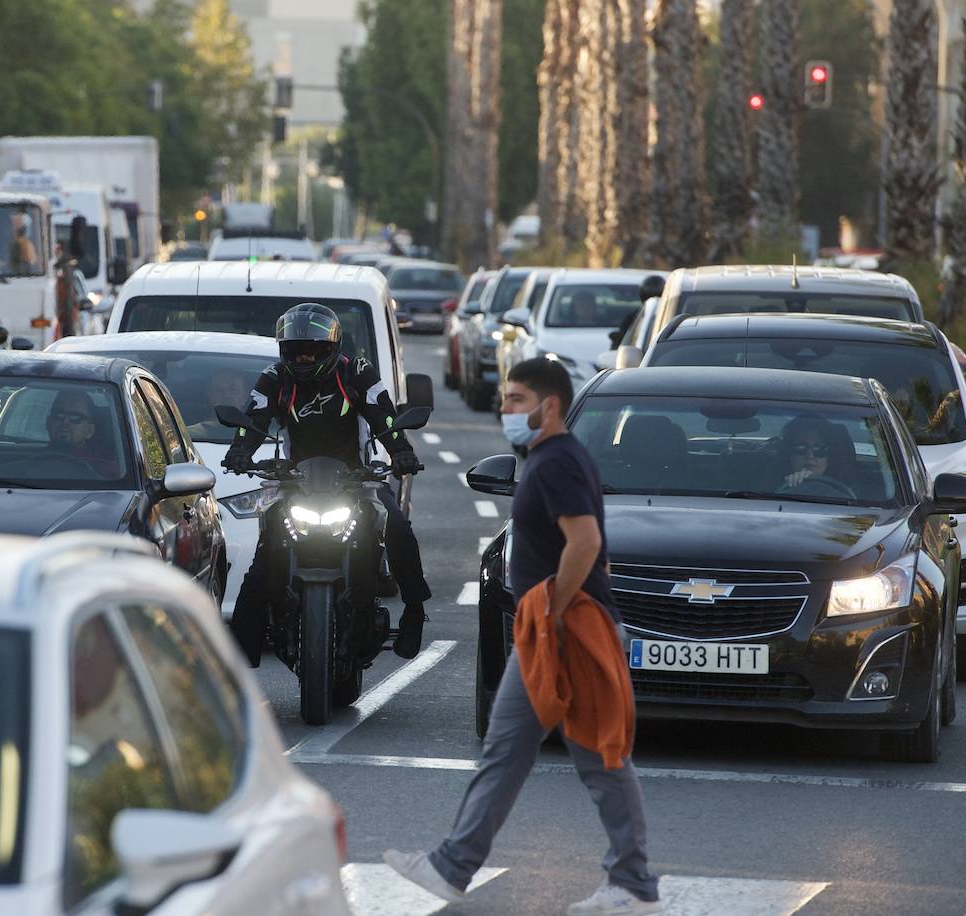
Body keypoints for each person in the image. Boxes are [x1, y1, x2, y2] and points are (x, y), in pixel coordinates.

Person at [384, 357, 661, 916]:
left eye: (515, 399)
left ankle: (631, 883)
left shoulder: (556, 461)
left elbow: (584, 543)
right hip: (558, 625)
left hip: (562, 627)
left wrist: (554, 614)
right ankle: (455, 865)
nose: (505, 409)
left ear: (548, 406)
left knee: (591, 755)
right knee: (524, 751)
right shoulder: (554, 457)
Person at [223, 303, 430, 663]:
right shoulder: (274, 378)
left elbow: (384, 415)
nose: (304, 357)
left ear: (332, 347)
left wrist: (401, 452)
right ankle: (237, 664)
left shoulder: (358, 373)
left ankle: (414, 612)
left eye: (313, 350)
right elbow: (252, 418)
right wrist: (240, 451)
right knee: (263, 559)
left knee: (397, 525)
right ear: (283, 350)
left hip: (357, 478)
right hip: (295, 482)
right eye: (296, 350)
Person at [46, 389, 120, 478]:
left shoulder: (104, 465)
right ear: (48, 423)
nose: (65, 422)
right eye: (58, 415)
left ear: (89, 431)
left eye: (75, 418)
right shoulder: (28, 458)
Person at [778, 415, 853, 492]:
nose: (810, 456)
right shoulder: (769, 488)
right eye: (801, 448)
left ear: (829, 455)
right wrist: (790, 487)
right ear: (789, 453)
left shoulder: (851, 492)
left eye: (819, 449)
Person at [187, 367, 251, 440]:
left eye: (233, 389)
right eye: (219, 390)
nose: (226, 395)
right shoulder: (190, 435)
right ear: (210, 395)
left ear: (244, 397)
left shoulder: (259, 436)